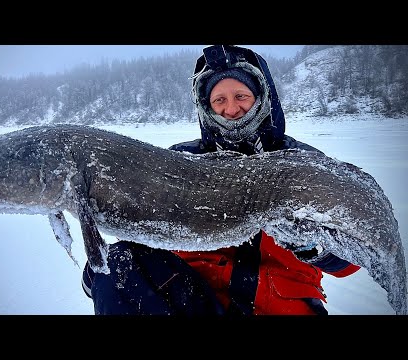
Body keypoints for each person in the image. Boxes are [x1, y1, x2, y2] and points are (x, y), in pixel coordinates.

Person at [81, 45, 361, 315]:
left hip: (283, 305)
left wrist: (313, 247)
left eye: (241, 95)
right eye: (219, 100)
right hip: (195, 298)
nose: (231, 109)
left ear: (261, 96)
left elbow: (352, 261)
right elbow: (139, 231)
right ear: (207, 107)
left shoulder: (302, 163)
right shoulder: (180, 160)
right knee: (114, 261)